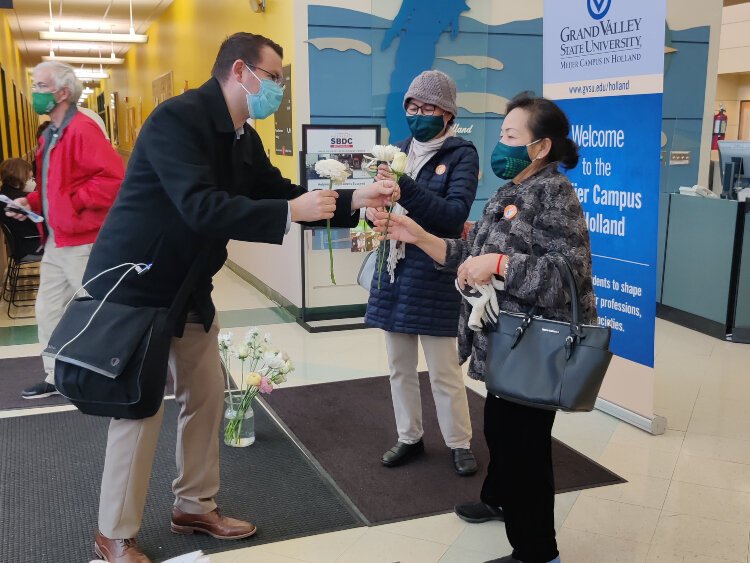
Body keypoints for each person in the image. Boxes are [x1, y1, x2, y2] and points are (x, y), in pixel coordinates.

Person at [83, 33, 398, 563]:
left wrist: (355, 199)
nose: (278, 87)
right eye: (274, 77)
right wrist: (289, 212)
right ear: (240, 70)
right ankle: (114, 531)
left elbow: (279, 192)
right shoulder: (176, 121)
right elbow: (200, 207)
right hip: (140, 285)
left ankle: (193, 505)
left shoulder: (242, 136)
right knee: (138, 411)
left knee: (205, 397)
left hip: (189, 287)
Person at [372, 92, 597, 563]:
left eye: (512, 136)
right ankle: (499, 499)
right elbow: (466, 251)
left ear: (541, 147)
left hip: (534, 347)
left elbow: (566, 274)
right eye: (502, 135)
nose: (502, 144)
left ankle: (537, 552)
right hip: (506, 343)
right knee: (500, 428)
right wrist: (417, 235)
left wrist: (496, 263)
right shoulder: (510, 191)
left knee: (525, 448)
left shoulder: (553, 193)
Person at [365, 70, 479, 475]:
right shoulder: (396, 150)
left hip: (433, 271)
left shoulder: (461, 154)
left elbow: (453, 215)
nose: (418, 114)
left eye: (428, 107)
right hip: (393, 269)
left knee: (444, 369)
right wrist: (373, 211)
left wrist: (405, 186)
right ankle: (408, 436)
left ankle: (458, 442)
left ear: (448, 114)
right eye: (412, 106)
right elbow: (381, 200)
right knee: (399, 365)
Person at [5, 62, 123, 400]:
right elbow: (48, 187)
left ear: (62, 92)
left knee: (97, 311)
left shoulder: (83, 130)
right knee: (49, 310)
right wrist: (31, 203)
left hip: (83, 241)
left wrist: (71, 203)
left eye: (41, 85)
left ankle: (113, 372)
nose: (35, 92)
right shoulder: (50, 135)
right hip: (57, 241)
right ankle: (56, 376)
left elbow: (113, 182)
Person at [0, 159, 42, 260]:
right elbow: (38, 225)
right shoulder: (22, 200)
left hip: (18, 247)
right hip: (32, 247)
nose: (33, 182)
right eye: (31, 178)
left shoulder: (3, 196)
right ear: (22, 176)